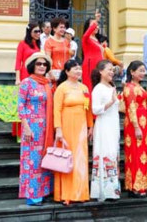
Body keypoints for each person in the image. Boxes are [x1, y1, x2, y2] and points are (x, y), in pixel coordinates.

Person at [53, 59, 94, 205]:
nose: (79, 71)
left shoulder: (84, 88)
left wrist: (91, 126)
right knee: (68, 158)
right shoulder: (61, 88)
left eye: (80, 69)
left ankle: (80, 193)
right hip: (66, 125)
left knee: (81, 158)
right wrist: (58, 129)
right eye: (75, 69)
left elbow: (88, 108)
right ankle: (67, 194)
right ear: (67, 71)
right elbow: (56, 110)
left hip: (81, 126)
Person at [18, 52, 54, 206]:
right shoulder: (26, 82)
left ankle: (44, 191)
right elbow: (21, 105)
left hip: (46, 128)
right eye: (39, 64)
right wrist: (25, 127)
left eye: (45, 64)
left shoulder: (48, 84)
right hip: (31, 128)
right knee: (32, 161)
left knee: (43, 160)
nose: (42, 67)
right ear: (33, 66)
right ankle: (32, 195)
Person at [90, 60, 121, 201]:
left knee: (113, 153)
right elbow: (95, 109)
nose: (111, 72)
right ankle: (102, 191)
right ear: (101, 71)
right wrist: (111, 101)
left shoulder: (111, 86)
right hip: (103, 126)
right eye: (109, 69)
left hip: (113, 124)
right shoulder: (98, 89)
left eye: (112, 70)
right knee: (105, 153)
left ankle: (112, 190)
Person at [122, 61, 147, 197]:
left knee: (142, 153)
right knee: (135, 153)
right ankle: (134, 186)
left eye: (144, 70)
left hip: (143, 123)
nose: (142, 73)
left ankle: (141, 184)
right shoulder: (129, 87)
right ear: (132, 72)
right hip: (135, 124)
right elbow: (131, 108)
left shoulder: (139, 86)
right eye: (140, 70)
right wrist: (136, 126)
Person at [82, 11, 104, 92]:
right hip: (90, 65)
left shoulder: (96, 40)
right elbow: (86, 35)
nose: (96, 27)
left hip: (99, 67)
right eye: (94, 25)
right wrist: (96, 20)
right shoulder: (86, 39)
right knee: (90, 87)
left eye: (97, 25)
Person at [44, 17, 73, 81]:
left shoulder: (66, 42)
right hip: (53, 73)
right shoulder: (49, 41)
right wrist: (50, 73)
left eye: (64, 27)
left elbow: (69, 58)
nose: (63, 29)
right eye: (61, 27)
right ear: (54, 29)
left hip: (65, 73)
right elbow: (47, 59)